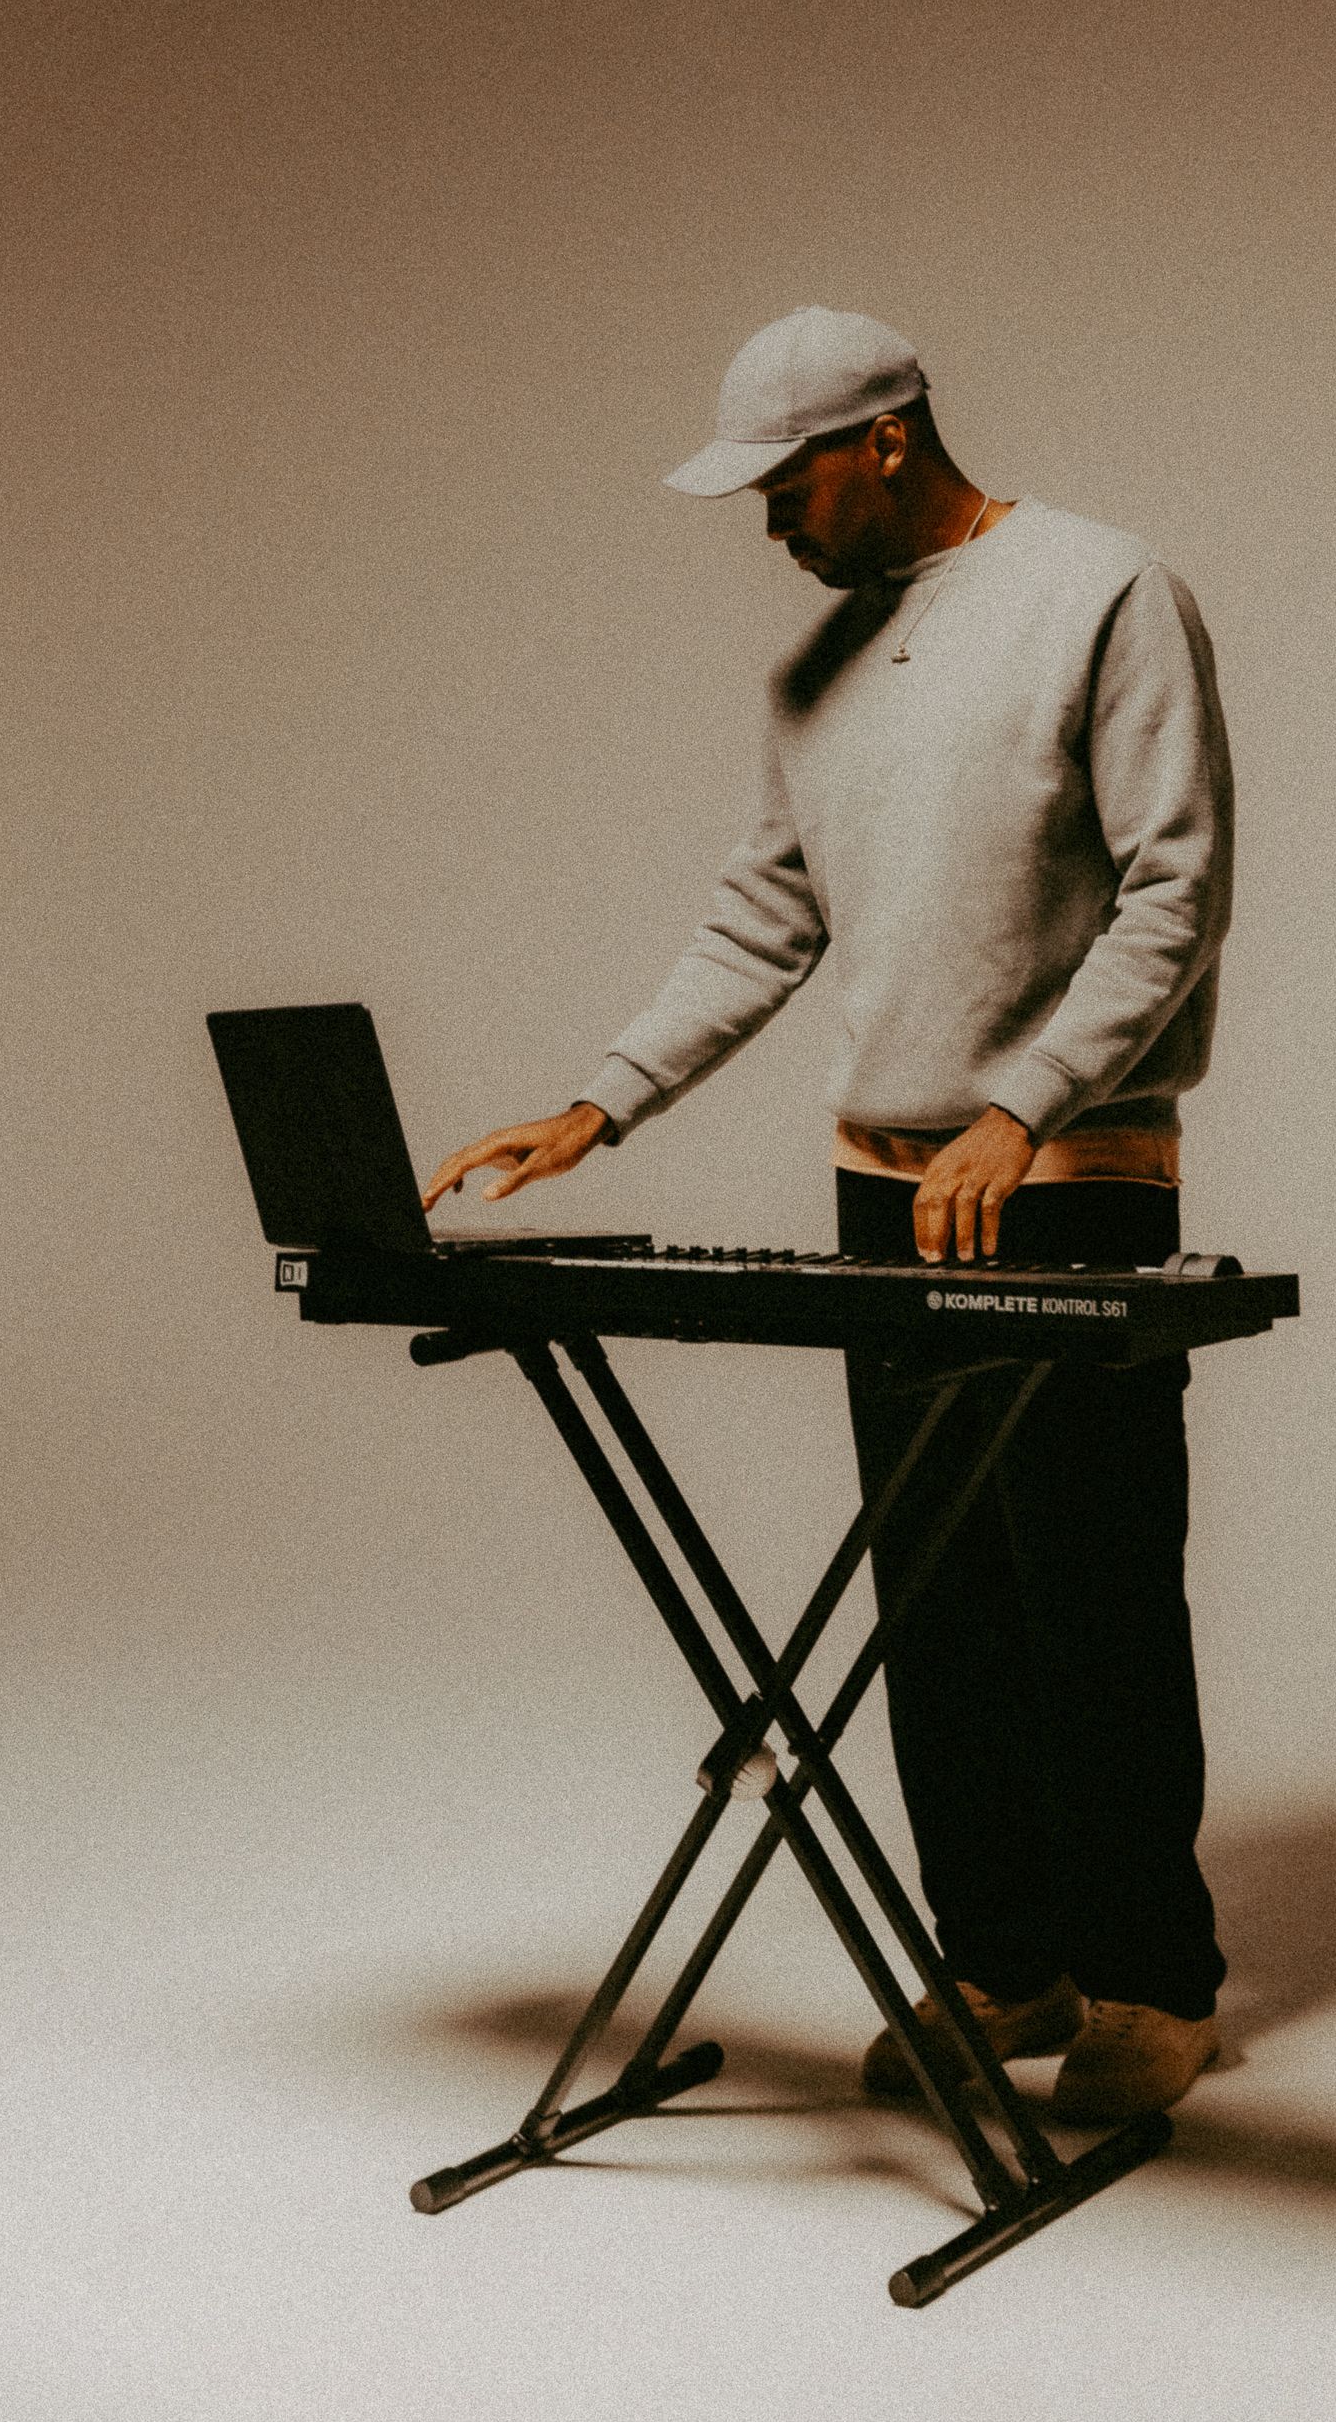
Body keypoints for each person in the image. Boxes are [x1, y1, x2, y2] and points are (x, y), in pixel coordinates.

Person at [423, 305, 1235, 2121]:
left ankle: (1147, 1984)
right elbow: (763, 919)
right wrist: (601, 1100)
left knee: (1089, 1593)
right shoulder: (811, 672)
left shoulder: (1104, 592)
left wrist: (1022, 1111)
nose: (771, 524)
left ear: (884, 437)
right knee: (933, 1600)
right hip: (886, 1197)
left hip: (1067, 1187)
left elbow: (1172, 893)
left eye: (785, 483)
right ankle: (1000, 1955)